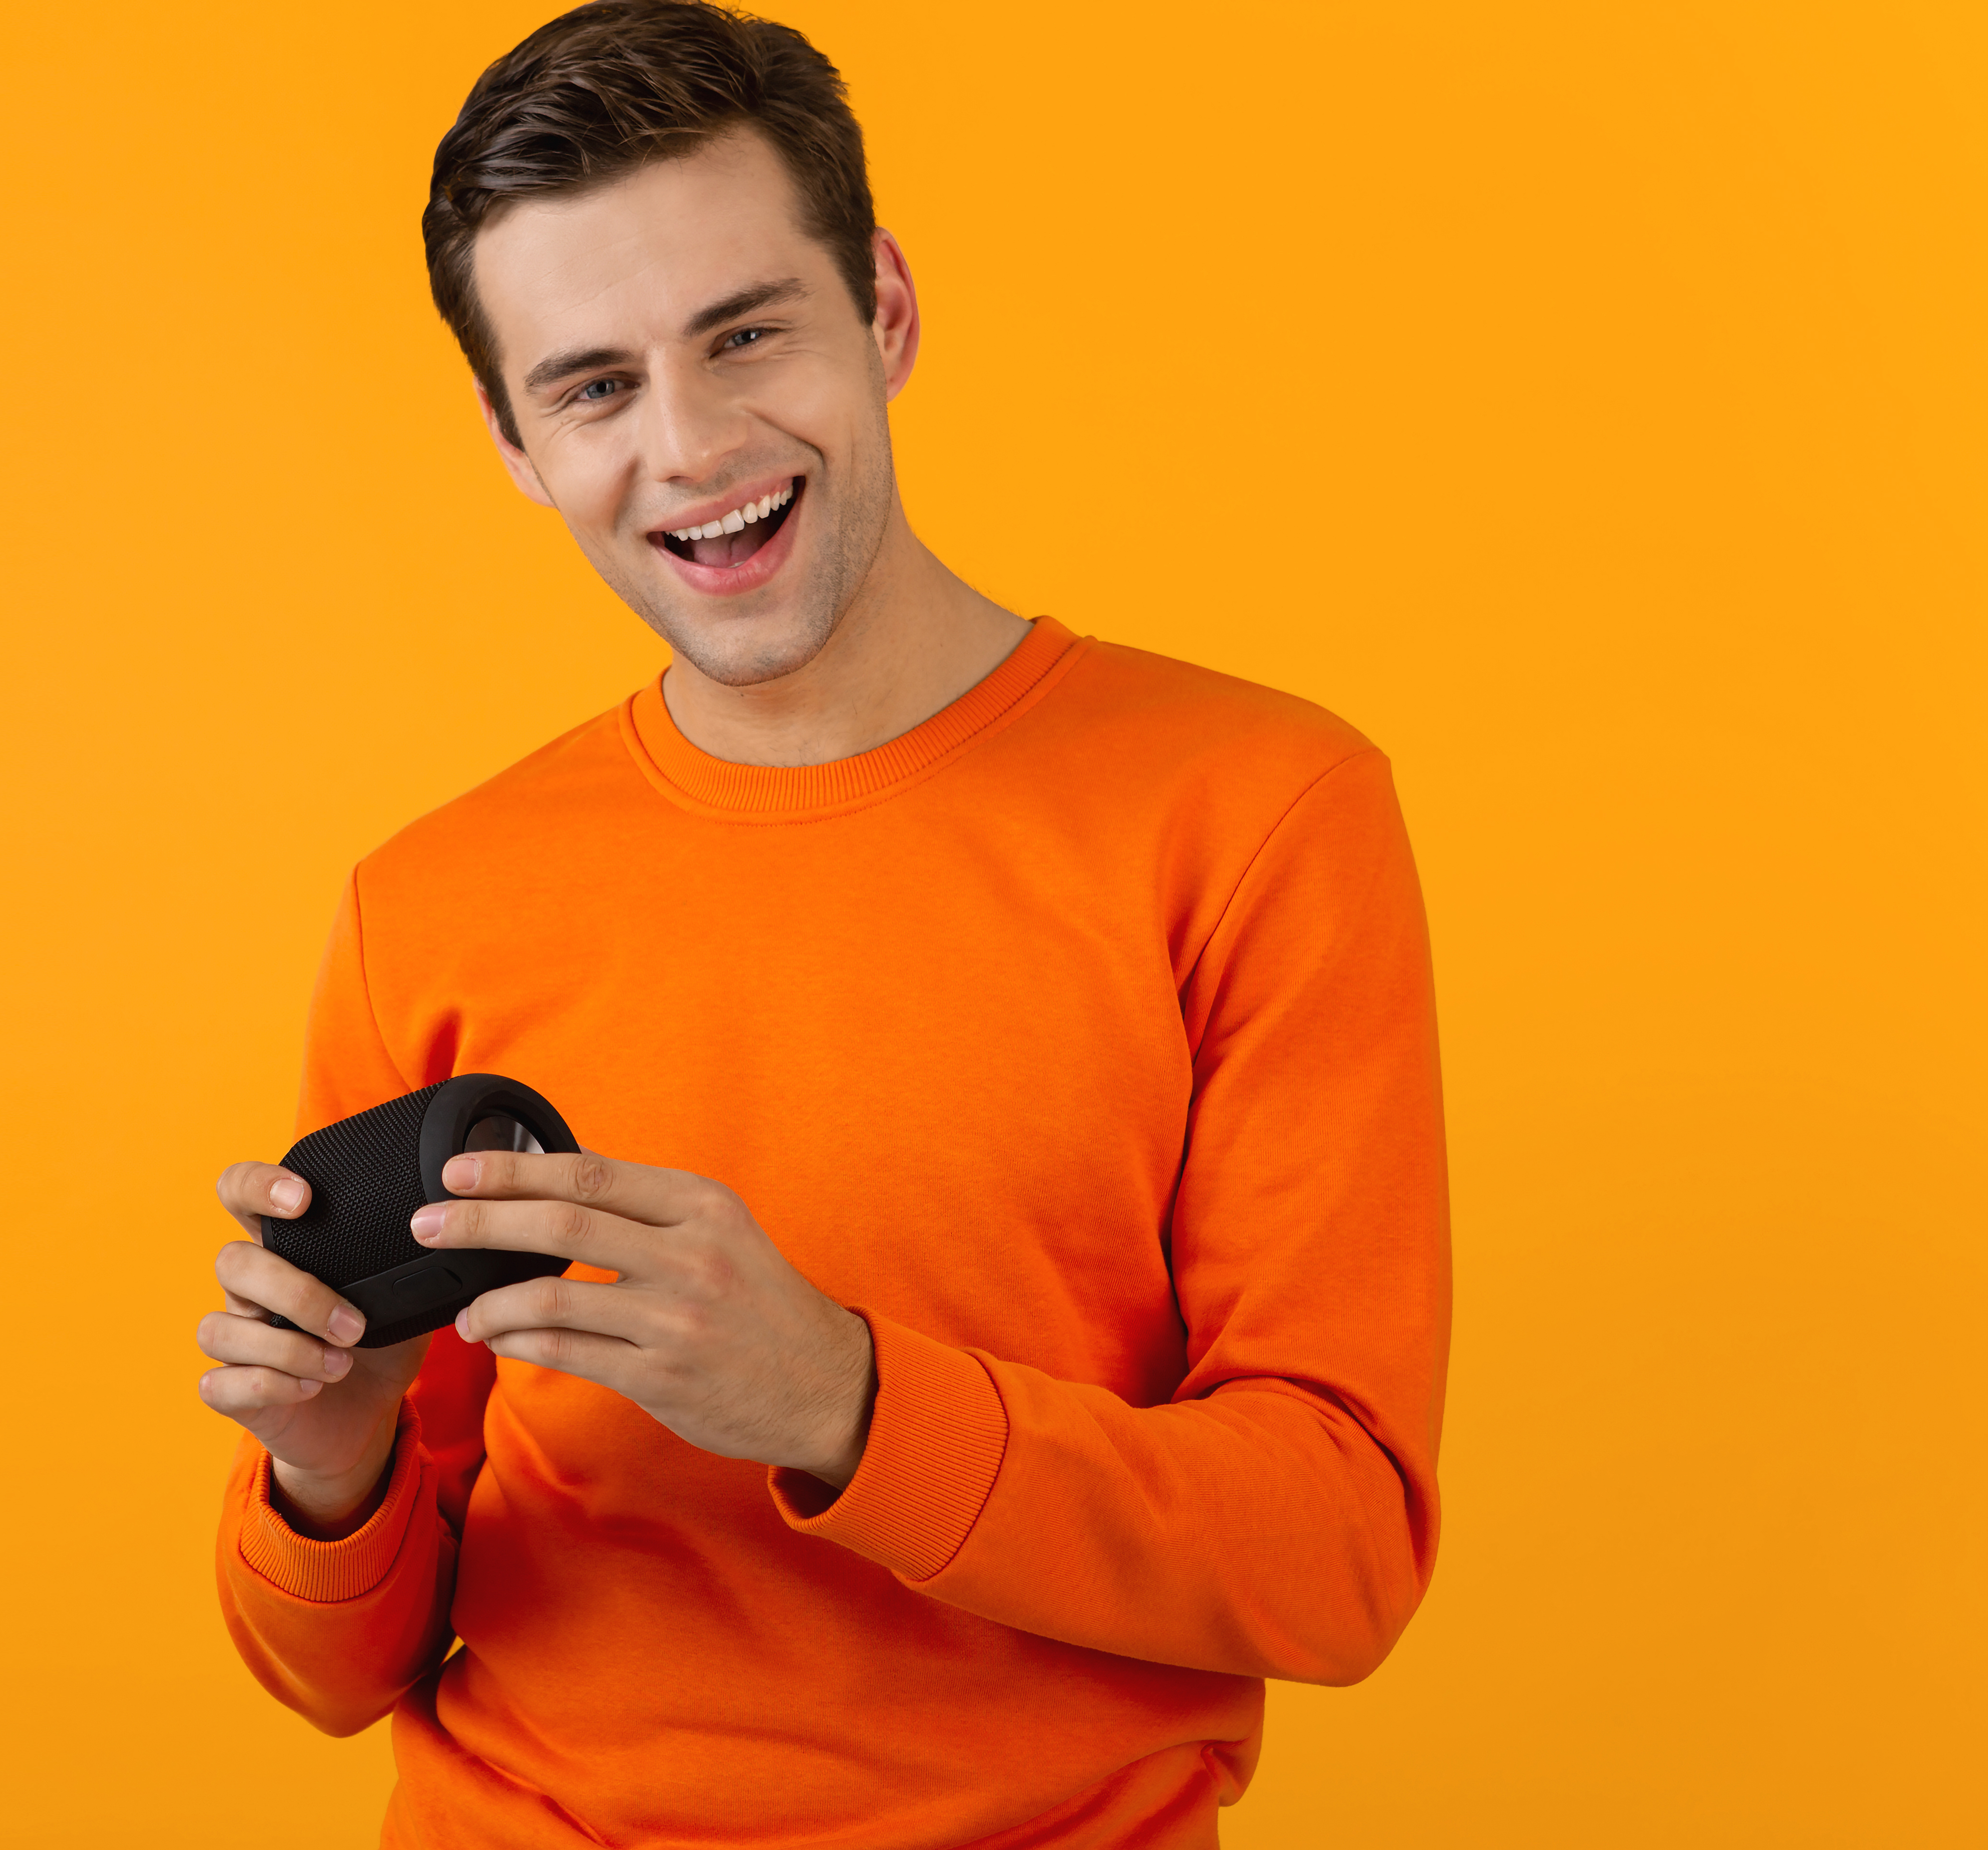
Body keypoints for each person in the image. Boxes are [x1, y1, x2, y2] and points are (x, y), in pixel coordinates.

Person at [193, 3, 1450, 1844]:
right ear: (517, 443)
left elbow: (1339, 1559)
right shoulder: (430, 902)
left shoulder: (1262, 814)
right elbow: (331, 1674)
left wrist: (839, 1398)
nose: (690, 445)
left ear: (884, 308)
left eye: (745, 333)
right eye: (596, 385)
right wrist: (330, 1463)